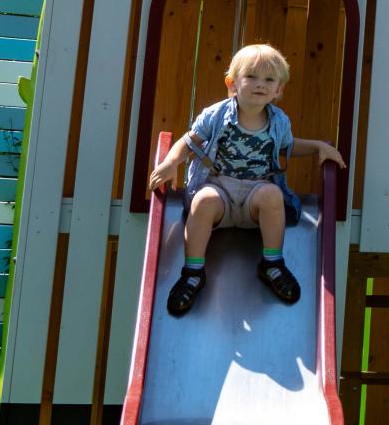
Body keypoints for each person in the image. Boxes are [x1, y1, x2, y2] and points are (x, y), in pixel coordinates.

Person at [148, 43, 347, 315]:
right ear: (232, 83)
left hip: (256, 194)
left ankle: (272, 263)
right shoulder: (216, 115)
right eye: (251, 77)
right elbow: (189, 141)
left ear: (278, 90)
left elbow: (288, 146)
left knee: (272, 196)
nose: (260, 84)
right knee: (203, 201)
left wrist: (317, 147)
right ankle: (193, 271)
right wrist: (171, 162)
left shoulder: (278, 122)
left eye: (269, 80)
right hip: (220, 190)